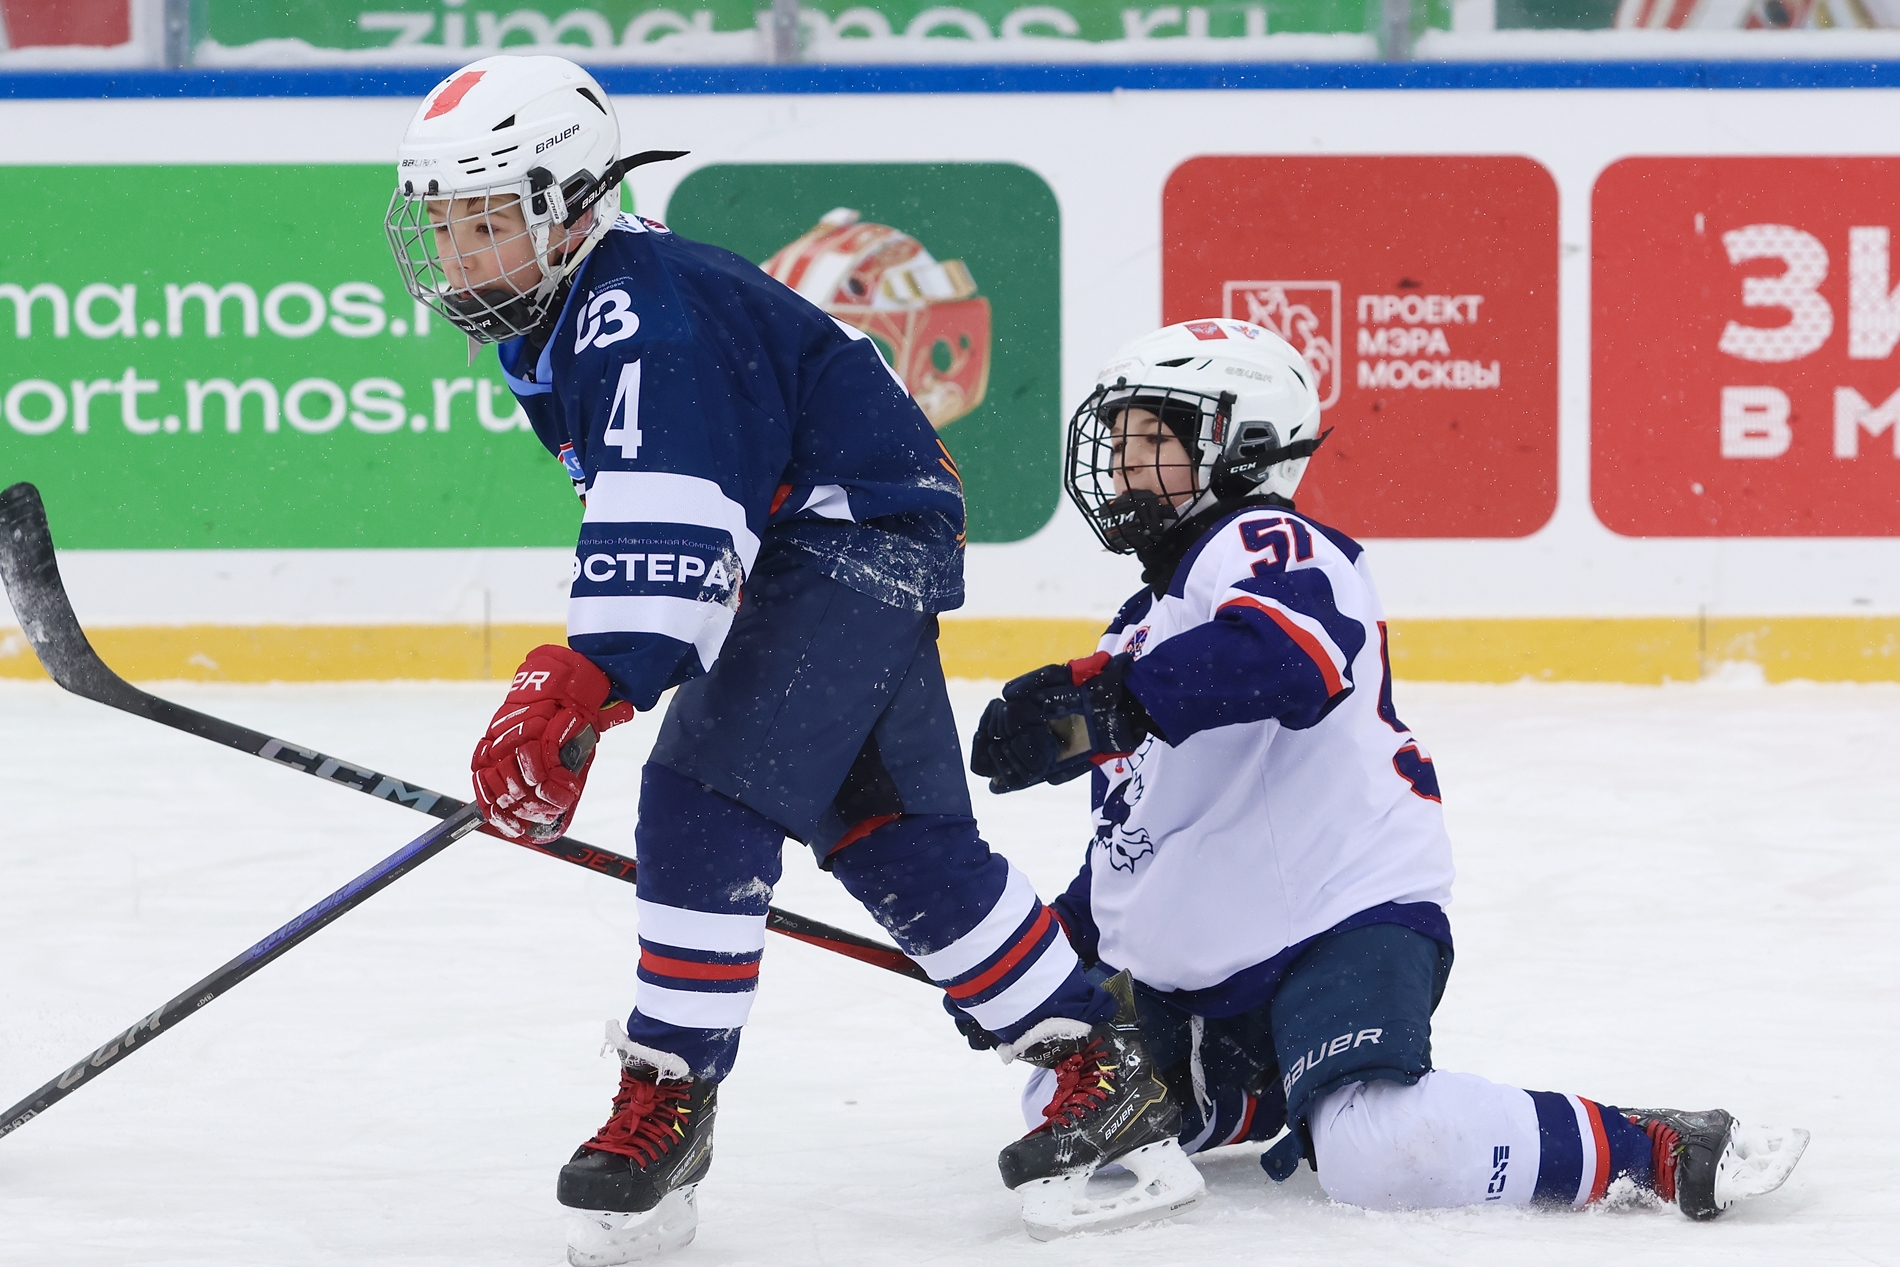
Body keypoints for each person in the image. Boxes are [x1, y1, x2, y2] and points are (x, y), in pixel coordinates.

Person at [383, 55, 1201, 1264]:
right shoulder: (582, 304)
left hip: (840, 540)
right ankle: (1097, 1059)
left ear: (567, 205)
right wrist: (603, 667)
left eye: (487, 221)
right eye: (445, 225)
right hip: (843, 537)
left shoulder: (632, 307)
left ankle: (667, 1097)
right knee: (891, 837)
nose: (457, 254)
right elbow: (683, 508)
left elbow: (676, 510)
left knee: (702, 790)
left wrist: (588, 676)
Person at [968, 317, 1810, 1222]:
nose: (1127, 465)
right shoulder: (1140, 628)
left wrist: (1107, 701)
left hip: (1344, 915)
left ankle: (1652, 1143)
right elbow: (1140, 834)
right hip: (1219, 964)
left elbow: (1294, 655)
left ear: (1242, 445)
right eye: (1122, 440)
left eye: (1152, 440)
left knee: (1378, 1152)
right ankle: (1261, 1088)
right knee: (1063, 1099)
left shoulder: (1266, 543)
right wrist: (1034, 960)